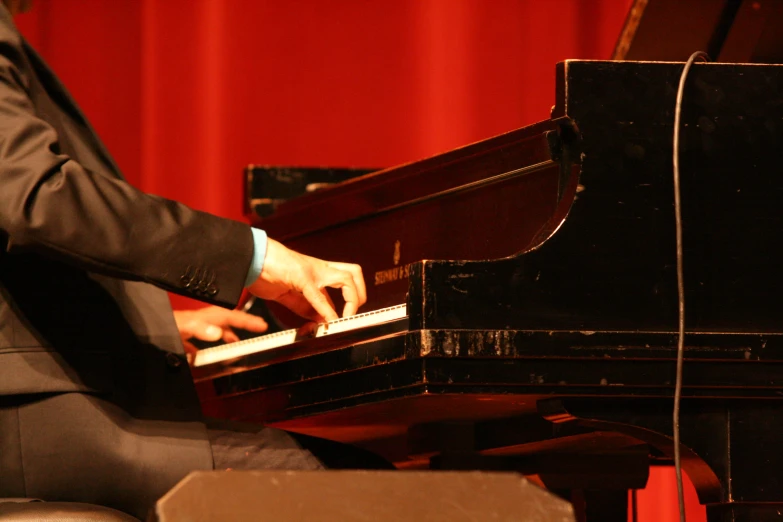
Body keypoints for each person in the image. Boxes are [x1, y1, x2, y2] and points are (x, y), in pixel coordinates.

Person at [0, 1, 385, 519]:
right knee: (370, 491)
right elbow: (39, 196)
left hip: (35, 418)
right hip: (33, 428)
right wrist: (257, 260)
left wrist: (146, 326)